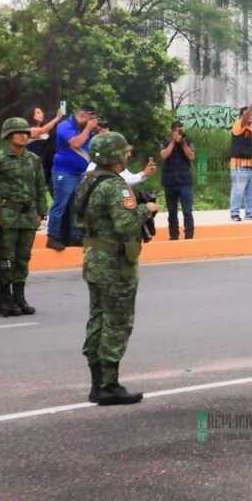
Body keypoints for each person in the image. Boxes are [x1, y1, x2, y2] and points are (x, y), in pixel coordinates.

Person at [75, 131, 158, 406]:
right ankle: (109, 385)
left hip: (94, 259)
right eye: (124, 152)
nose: (127, 156)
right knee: (118, 322)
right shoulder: (115, 186)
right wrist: (147, 209)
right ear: (113, 155)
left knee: (97, 319)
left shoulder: (87, 181)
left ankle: (97, 383)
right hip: (115, 264)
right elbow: (125, 224)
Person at [0, 118, 48, 317]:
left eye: (26, 132)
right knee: (6, 259)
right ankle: (4, 300)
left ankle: (19, 298)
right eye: (18, 132)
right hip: (7, 215)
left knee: (23, 258)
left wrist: (41, 213)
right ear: (9, 135)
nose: (23, 135)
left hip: (29, 216)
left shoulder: (34, 159)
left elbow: (41, 187)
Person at [46, 105, 97, 250]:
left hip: (79, 173)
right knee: (59, 205)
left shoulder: (84, 130)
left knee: (76, 206)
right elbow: (76, 143)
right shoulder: (65, 126)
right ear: (82, 116)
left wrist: (94, 130)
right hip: (64, 172)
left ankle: (75, 236)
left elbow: (92, 146)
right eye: (90, 119)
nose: (91, 122)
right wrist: (87, 129)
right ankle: (53, 236)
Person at [160, 121, 196, 240]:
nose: (180, 132)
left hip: (184, 181)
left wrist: (183, 143)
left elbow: (191, 156)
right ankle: (173, 236)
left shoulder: (188, 141)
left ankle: (189, 236)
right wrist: (173, 141)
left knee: (187, 211)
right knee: (172, 213)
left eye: (182, 130)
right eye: (178, 130)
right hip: (169, 182)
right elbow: (164, 155)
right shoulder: (165, 142)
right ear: (172, 131)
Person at [229, 103, 252, 221]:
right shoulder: (238, 125)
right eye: (248, 114)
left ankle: (250, 212)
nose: (251, 116)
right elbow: (244, 120)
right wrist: (250, 108)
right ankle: (234, 213)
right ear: (242, 117)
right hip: (240, 166)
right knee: (238, 190)